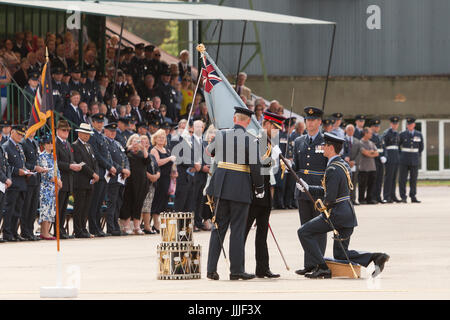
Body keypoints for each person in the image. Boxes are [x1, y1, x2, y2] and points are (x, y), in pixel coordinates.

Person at [296, 132, 390, 279]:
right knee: (340, 253)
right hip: (346, 214)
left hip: (337, 215)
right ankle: (376, 257)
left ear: (331, 148)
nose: (322, 148)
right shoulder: (342, 164)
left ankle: (322, 267)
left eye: (325, 146)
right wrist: (309, 188)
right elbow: (333, 191)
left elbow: (330, 198)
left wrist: (320, 204)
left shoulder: (332, 168)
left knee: (304, 232)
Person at [206, 107, 264, 281]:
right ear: (247, 122)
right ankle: (236, 270)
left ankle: (211, 269)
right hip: (240, 188)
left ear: (234, 119)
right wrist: (259, 187)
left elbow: (209, 152)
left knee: (218, 228)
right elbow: (255, 167)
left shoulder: (222, 134)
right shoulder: (251, 140)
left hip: (221, 187)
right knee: (237, 230)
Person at [244, 111, 285, 279]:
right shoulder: (258, 141)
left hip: (265, 193)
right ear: (266, 124)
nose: (276, 131)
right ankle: (237, 266)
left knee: (262, 233)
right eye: (274, 127)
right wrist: (271, 157)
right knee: (243, 231)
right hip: (255, 192)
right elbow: (256, 166)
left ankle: (263, 267)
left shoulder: (269, 142)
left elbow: (267, 169)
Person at [292, 107, 328, 276]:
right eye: (307, 120)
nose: (310, 123)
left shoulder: (326, 141)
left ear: (319, 122)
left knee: (319, 229)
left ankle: (319, 265)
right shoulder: (299, 141)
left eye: (313, 120)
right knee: (305, 228)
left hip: (319, 190)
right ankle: (309, 264)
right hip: (302, 189)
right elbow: (297, 166)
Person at [2, 125, 31, 241]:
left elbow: (22, 163)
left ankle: (14, 232)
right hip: (12, 183)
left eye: (22, 135)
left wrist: (26, 171)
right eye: (19, 134)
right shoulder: (6, 146)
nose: (21, 137)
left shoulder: (19, 147)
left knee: (18, 210)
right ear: (12, 132)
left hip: (22, 183)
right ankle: (7, 233)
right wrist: (16, 171)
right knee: (10, 209)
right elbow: (5, 165)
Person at [119, 134, 151, 235]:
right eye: (134, 141)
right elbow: (122, 152)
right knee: (128, 203)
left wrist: (143, 147)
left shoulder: (142, 153)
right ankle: (127, 226)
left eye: (138, 141)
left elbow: (147, 160)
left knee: (138, 203)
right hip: (130, 181)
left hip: (141, 182)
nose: (136, 143)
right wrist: (131, 146)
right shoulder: (127, 152)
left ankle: (137, 226)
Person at [71, 123, 99, 238]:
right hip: (80, 180)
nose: (87, 136)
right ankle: (78, 230)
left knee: (86, 206)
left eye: (88, 134)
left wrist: (95, 173)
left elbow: (94, 161)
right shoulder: (75, 146)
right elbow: (81, 162)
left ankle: (83, 227)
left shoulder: (89, 146)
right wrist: (92, 174)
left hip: (90, 181)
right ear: (79, 133)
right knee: (79, 206)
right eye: (85, 133)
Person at [104, 122, 131, 235]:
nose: (112, 133)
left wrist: (127, 170)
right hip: (113, 176)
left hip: (121, 178)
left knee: (118, 202)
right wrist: (121, 169)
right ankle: (111, 227)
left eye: (114, 131)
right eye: (110, 131)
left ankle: (116, 225)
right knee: (112, 202)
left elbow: (124, 157)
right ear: (105, 131)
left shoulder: (117, 143)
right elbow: (109, 160)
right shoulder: (105, 142)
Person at [56, 120, 81, 239]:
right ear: (57, 130)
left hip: (68, 180)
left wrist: (75, 164)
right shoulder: (55, 143)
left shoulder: (67, 144)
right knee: (59, 207)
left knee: (64, 207)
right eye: (63, 130)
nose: (66, 132)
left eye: (67, 130)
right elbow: (56, 162)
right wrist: (70, 166)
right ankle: (58, 230)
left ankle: (61, 229)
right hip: (61, 179)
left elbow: (70, 159)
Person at [20, 128, 47, 241]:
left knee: (33, 207)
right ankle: (25, 231)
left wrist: (41, 167)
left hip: (36, 179)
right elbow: (22, 161)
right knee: (26, 207)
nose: (33, 131)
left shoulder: (35, 142)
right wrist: (34, 167)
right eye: (31, 128)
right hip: (28, 179)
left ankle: (30, 231)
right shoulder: (23, 142)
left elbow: (36, 159)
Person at [150, 129, 176, 233]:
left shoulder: (167, 150)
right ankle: (156, 225)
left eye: (163, 137)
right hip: (159, 178)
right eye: (159, 137)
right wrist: (169, 159)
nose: (161, 139)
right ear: (155, 139)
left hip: (167, 178)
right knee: (158, 200)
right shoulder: (154, 150)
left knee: (165, 201)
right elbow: (157, 162)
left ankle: (162, 224)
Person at [37, 135, 62, 240]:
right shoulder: (42, 156)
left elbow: (57, 170)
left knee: (51, 209)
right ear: (44, 145)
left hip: (54, 186)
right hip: (46, 186)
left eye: (51, 143)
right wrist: (56, 180)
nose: (50, 145)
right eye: (48, 143)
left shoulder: (53, 156)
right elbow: (45, 173)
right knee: (45, 209)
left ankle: (46, 231)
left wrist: (59, 181)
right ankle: (44, 232)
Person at [398, 117, 424, 203]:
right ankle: (403, 197)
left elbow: (421, 147)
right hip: (404, 160)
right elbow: (398, 145)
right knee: (403, 179)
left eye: (411, 124)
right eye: (408, 124)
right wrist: (401, 156)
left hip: (414, 159)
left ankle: (413, 196)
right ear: (407, 125)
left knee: (413, 179)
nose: (410, 126)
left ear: (414, 125)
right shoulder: (402, 134)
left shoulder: (419, 134)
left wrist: (417, 155)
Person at [141, 135, 160, 234]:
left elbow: (157, 168)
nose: (146, 144)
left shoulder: (151, 156)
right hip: (143, 182)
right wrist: (150, 176)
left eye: (147, 141)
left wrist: (156, 175)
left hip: (152, 184)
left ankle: (147, 226)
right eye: (143, 142)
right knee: (141, 205)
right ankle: (139, 225)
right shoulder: (139, 154)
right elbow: (141, 169)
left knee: (148, 206)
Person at [382, 116, 402, 203]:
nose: (395, 125)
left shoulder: (397, 134)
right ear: (391, 124)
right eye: (393, 123)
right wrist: (385, 157)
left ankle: (393, 195)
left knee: (394, 178)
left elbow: (398, 146)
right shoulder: (386, 133)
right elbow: (384, 146)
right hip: (389, 158)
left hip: (396, 158)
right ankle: (386, 196)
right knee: (388, 178)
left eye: (396, 124)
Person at [358, 127, 379, 204]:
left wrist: (371, 153)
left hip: (372, 167)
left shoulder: (371, 143)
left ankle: (369, 199)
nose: (371, 134)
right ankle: (361, 199)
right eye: (370, 133)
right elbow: (365, 152)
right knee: (362, 185)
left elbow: (377, 153)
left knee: (371, 184)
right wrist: (371, 153)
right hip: (363, 168)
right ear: (365, 133)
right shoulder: (360, 143)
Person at [343, 124, 361, 205]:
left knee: (354, 182)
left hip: (354, 164)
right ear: (346, 131)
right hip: (345, 164)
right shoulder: (342, 140)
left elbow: (359, 153)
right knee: (346, 182)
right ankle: (346, 200)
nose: (350, 131)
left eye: (352, 130)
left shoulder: (357, 141)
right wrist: (346, 160)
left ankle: (353, 199)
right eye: (349, 130)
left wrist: (354, 162)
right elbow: (340, 152)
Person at [369, 119, 386, 203]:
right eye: (375, 126)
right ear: (371, 127)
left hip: (381, 161)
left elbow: (383, 148)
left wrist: (384, 156)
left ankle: (378, 196)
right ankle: (373, 197)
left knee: (380, 179)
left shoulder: (380, 137)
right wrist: (380, 157)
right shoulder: (371, 137)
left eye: (378, 126)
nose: (377, 128)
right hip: (374, 160)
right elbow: (373, 150)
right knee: (374, 180)